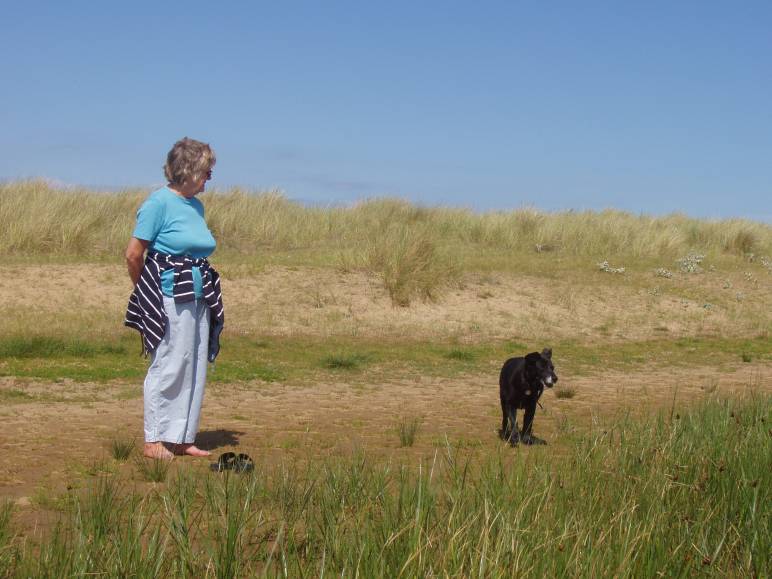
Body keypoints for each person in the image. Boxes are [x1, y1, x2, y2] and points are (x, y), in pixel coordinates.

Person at [124, 137, 224, 460]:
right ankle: (154, 439)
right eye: (207, 171)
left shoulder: (196, 206)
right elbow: (134, 254)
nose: (209, 177)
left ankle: (181, 437)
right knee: (169, 364)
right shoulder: (157, 203)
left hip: (198, 293)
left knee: (194, 365)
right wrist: (147, 293)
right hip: (168, 292)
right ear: (189, 169)